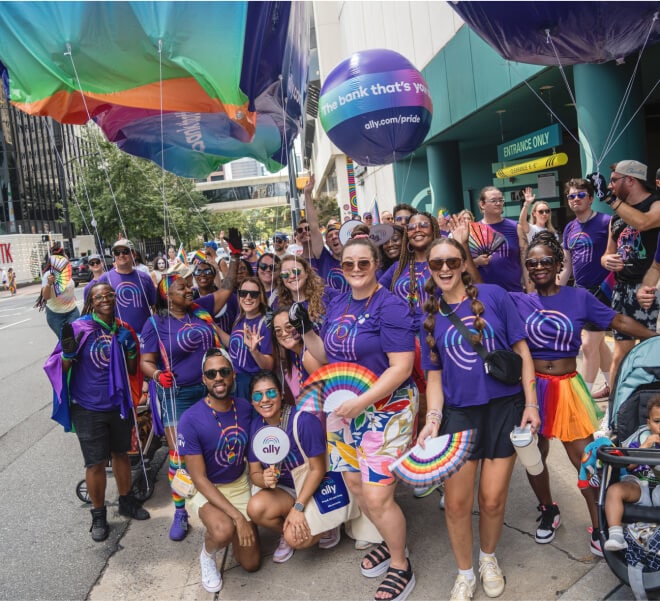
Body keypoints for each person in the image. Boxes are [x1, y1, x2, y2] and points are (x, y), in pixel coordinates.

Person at [511, 232, 657, 555]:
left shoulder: (578, 298)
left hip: (566, 388)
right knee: (535, 457)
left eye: (546, 261)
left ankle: (598, 524)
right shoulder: (517, 300)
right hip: (532, 389)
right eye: (531, 263)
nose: (538, 267)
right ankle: (548, 508)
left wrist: (654, 336)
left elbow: (617, 319)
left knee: (586, 461)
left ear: (558, 263)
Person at [419, 237, 539, 601]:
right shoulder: (429, 317)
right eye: (436, 263)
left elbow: (522, 351)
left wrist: (531, 404)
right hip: (459, 414)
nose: (444, 269)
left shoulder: (495, 296)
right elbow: (434, 375)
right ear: (429, 268)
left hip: (506, 409)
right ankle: (465, 573)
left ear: (463, 263)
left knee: (491, 499)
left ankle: (488, 558)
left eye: (451, 262)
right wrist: (433, 417)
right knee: (456, 504)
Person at [301, 237, 419, 601]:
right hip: (345, 408)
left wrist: (362, 403)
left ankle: (401, 564)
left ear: (376, 264)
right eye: (348, 264)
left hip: (387, 409)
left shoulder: (392, 306)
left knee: (377, 495)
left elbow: (402, 368)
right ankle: (388, 539)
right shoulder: (338, 302)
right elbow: (324, 354)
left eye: (363, 263)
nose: (355, 270)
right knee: (355, 483)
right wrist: (305, 327)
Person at [140, 233, 241, 541]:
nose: (188, 288)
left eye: (188, 285)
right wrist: (157, 376)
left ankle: (220, 496)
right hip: (177, 395)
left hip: (213, 388)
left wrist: (234, 255)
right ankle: (181, 509)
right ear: (167, 295)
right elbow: (145, 361)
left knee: (218, 444)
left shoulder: (201, 308)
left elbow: (227, 288)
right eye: (181, 286)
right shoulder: (155, 323)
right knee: (179, 455)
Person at [43, 282, 150, 542]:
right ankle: (99, 514)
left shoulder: (124, 329)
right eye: (98, 296)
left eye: (109, 294)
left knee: (122, 454)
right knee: (95, 462)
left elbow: (133, 368)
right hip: (88, 407)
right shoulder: (77, 329)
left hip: (117, 403)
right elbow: (61, 368)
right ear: (90, 302)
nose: (105, 299)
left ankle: (126, 501)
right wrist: (67, 354)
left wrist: (131, 349)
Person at [177, 348, 260, 593]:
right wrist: (237, 517)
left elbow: (253, 454)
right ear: (204, 379)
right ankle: (207, 554)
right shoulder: (190, 419)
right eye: (211, 373)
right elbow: (199, 478)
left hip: (238, 484)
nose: (218, 378)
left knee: (252, 564)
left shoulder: (245, 408)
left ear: (233, 375)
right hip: (206, 489)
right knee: (223, 530)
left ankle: (234, 529)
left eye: (224, 371)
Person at [246, 370, 333, 563]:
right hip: (285, 491)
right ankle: (289, 530)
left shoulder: (303, 421)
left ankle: (327, 524)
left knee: (297, 540)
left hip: (314, 487)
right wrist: (264, 479)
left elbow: (318, 469)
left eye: (271, 393)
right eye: (258, 395)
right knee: (255, 508)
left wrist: (299, 508)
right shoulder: (255, 427)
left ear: (281, 394)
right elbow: (254, 473)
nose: (264, 400)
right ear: (252, 401)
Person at [601, 160, 660, 384]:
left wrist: (610, 200)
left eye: (614, 181)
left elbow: (644, 223)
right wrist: (607, 261)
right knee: (620, 353)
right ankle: (615, 410)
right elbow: (606, 253)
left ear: (631, 180)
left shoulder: (656, 204)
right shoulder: (616, 217)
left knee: (651, 350)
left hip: (649, 289)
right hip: (622, 290)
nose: (611, 187)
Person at [558, 178, 614, 399]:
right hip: (580, 293)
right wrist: (552, 294)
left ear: (591, 198)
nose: (575, 199)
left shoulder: (606, 222)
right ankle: (612, 386)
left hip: (602, 291)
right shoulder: (569, 228)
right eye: (571, 196)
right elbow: (567, 266)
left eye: (581, 195)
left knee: (589, 345)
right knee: (599, 345)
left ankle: (583, 397)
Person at [603, 395, 660, 551]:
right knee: (614, 491)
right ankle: (616, 535)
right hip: (640, 485)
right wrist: (644, 447)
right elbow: (629, 466)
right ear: (648, 423)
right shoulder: (641, 439)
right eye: (657, 422)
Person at [217, 277, 274, 399]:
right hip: (234, 381)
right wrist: (213, 327)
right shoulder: (240, 318)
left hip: (251, 384)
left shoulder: (264, 324)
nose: (247, 297)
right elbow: (234, 345)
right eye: (243, 293)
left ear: (261, 297)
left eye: (253, 294)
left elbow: (268, 366)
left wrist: (254, 351)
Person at [97, 239, 156, 336]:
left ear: (134, 254)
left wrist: (153, 327)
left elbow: (155, 307)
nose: (121, 255)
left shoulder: (145, 278)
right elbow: (97, 310)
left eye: (125, 251)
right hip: (116, 336)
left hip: (145, 336)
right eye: (117, 252)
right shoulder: (105, 279)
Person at [475, 187, 525, 292]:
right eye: (493, 200)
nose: (498, 203)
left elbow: (525, 260)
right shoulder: (473, 231)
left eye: (501, 200)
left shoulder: (515, 227)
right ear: (482, 204)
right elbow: (464, 264)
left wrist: (530, 291)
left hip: (513, 292)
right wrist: (476, 262)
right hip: (486, 295)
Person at [271, 306, 325, 403]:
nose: (283, 333)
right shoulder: (293, 354)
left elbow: (329, 393)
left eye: (289, 327)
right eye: (278, 331)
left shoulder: (309, 356)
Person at [276, 254, 330, 333]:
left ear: (307, 272)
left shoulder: (327, 294)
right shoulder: (280, 305)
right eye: (285, 273)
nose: (292, 276)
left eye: (296, 271)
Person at [40, 244, 80, 338]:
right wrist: (49, 284)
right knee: (65, 342)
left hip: (72, 311)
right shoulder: (48, 275)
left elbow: (68, 288)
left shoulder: (67, 272)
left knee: (76, 338)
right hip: (55, 315)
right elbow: (46, 297)